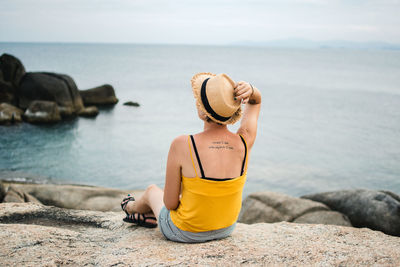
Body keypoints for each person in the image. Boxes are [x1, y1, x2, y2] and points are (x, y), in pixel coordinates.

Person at [121, 72, 261, 243]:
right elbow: (256, 102)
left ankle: (130, 208)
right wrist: (251, 90)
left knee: (151, 191)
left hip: (184, 232)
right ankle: (146, 215)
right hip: (226, 228)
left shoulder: (183, 144)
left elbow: (171, 204)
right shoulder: (244, 141)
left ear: (202, 112)